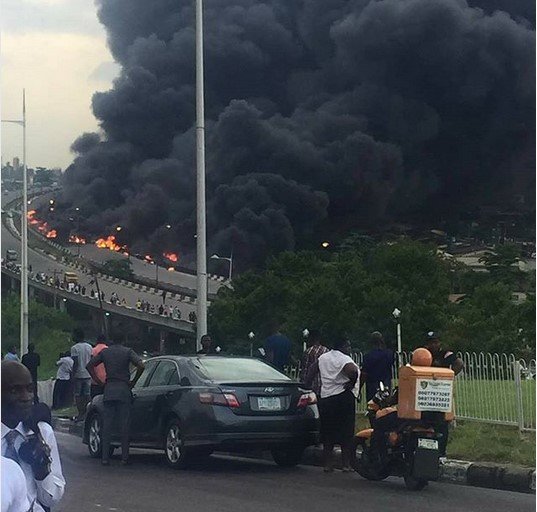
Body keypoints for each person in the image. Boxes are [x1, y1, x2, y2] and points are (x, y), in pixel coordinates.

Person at [1, 361, 66, 512]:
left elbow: (51, 499)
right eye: (14, 391)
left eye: (30, 389)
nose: (26, 397)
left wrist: (41, 469)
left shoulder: (41, 432)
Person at [86, 331, 145, 465]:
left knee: (107, 425)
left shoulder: (106, 353)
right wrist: (133, 381)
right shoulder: (128, 351)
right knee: (124, 424)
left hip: (109, 388)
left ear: (111, 341)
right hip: (124, 389)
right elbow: (141, 365)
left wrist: (99, 381)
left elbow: (89, 365)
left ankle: (105, 458)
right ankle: (124, 457)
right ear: (124, 340)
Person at [308, 338, 359, 472]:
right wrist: (352, 383)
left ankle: (328, 464)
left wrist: (307, 385)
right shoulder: (344, 359)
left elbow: (312, 371)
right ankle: (346, 464)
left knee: (328, 431)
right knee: (346, 431)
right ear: (342, 346)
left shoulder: (323, 358)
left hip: (326, 397)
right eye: (348, 346)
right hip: (343, 396)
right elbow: (352, 371)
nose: (349, 348)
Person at [422, 331, 464, 457]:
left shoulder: (445, 354)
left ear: (439, 343)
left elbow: (459, 363)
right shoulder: (424, 353)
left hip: (440, 393)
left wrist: (449, 377)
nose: (433, 345)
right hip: (425, 393)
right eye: (430, 343)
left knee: (441, 423)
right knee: (424, 422)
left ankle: (441, 452)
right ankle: (426, 450)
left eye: (435, 342)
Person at [360, 331, 394, 401]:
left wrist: (359, 388)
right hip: (386, 384)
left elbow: (364, 374)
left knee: (373, 406)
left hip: (372, 386)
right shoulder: (389, 354)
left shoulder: (368, 356)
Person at [70, 328, 93, 422]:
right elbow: (92, 360)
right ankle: (87, 413)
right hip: (88, 374)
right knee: (87, 395)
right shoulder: (89, 347)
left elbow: (75, 363)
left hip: (78, 375)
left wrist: (72, 374)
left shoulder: (74, 348)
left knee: (78, 395)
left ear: (77, 336)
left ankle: (80, 414)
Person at [299, 329, 329, 396]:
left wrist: (303, 384)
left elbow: (305, 370)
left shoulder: (308, 352)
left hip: (312, 386)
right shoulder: (326, 351)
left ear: (311, 338)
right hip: (325, 385)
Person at [90, 334, 108, 399]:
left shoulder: (93, 350)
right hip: (107, 379)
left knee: (95, 400)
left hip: (95, 379)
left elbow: (90, 364)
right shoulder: (108, 350)